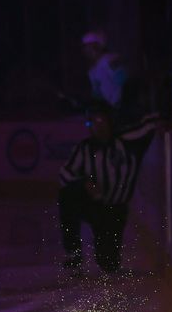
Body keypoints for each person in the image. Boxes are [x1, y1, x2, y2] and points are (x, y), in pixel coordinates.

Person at [58, 103, 159, 275]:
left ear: (111, 122)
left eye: (102, 121)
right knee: (67, 196)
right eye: (94, 122)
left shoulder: (127, 141)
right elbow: (64, 174)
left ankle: (106, 252)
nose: (98, 127)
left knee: (108, 263)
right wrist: (84, 183)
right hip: (94, 207)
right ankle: (73, 252)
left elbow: (152, 123)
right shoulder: (85, 148)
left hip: (115, 211)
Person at [81, 30, 127, 110]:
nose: (88, 51)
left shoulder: (109, 60)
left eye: (91, 47)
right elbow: (97, 93)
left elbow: (124, 82)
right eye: (85, 48)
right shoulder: (92, 71)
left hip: (121, 108)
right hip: (107, 111)